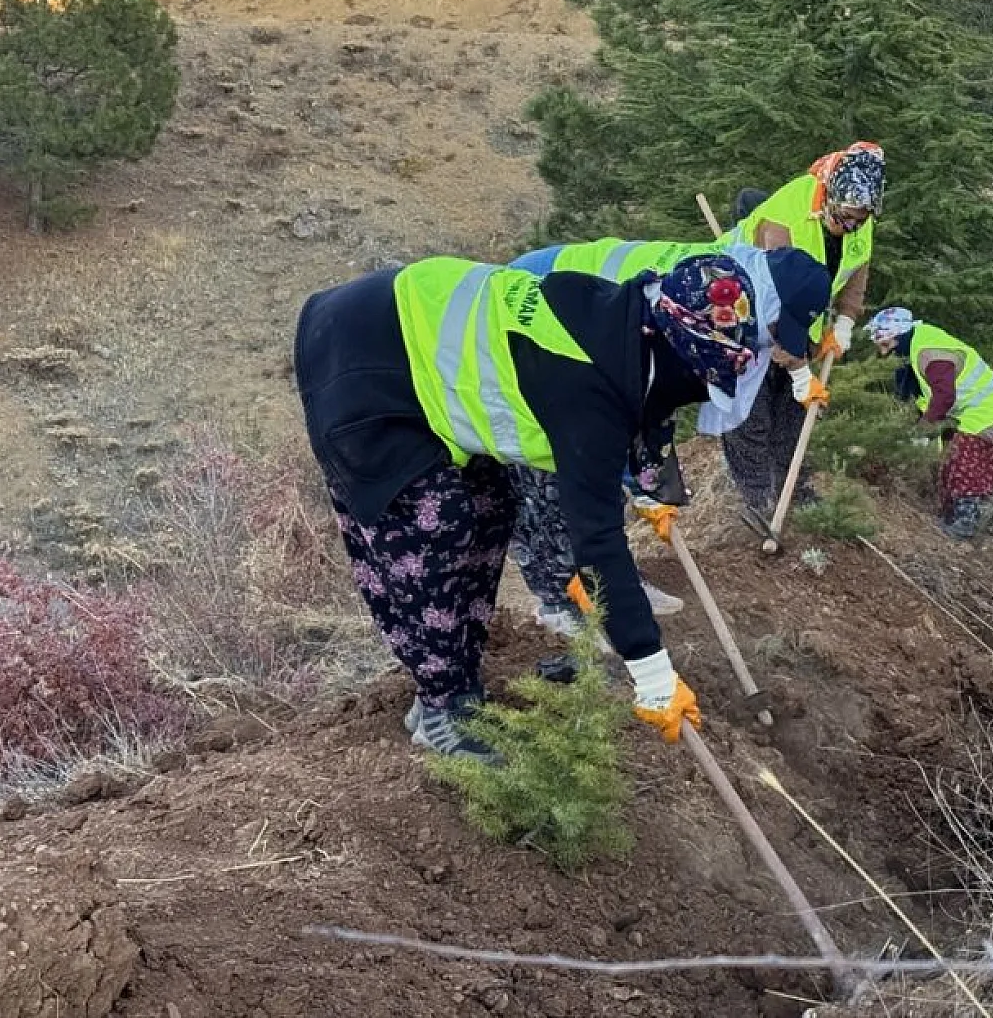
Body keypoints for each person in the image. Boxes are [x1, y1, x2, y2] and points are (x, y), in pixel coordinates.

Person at [293, 251, 760, 760]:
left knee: (491, 508)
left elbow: (646, 405)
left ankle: (459, 688)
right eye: (699, 370)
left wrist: (650, 485)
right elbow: (598, 540)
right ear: (667, 339)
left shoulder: (628, 320)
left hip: (411, 334)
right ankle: (440, 709)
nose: (699, 388)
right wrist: (652, 674)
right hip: (362, 361)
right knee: (434, 530)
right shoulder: (587, 385)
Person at [501, 237, 832, 632]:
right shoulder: (700, 297)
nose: (774, 338)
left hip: (593, 329)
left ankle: (611, 585)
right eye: (778, 326)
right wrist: (641, 480)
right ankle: (560, 604)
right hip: (539, 308)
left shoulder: (732, 293)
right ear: (769, 302)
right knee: (550, 471)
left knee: (598, 479)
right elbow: (623, 404)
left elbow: (650, 403)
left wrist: (799, 375)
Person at [724, 143, 885, 528]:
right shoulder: (784, 219)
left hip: (799, 318)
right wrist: (799, 372)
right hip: (745, 314)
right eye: (846, 218)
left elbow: (856, 267)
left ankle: (793, 490)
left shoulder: (861, 217)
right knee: (751, 409)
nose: (851, 226)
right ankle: (755, 497)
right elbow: (775, 307)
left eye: (859, 220)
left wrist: (844, 322)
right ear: (829, 195)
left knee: (793, 412)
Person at [863, 306, 993, 540]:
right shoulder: (915, 346)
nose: (883, 354)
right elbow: (929, 397)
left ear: (899, 336)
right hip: (971, 412)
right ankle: (952, 517)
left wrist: (925, 430)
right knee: (949, 465)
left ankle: (966, 522)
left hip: (988, 411)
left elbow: (944, 396)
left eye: (885, 345)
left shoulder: (930, 353)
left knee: (964, 463)